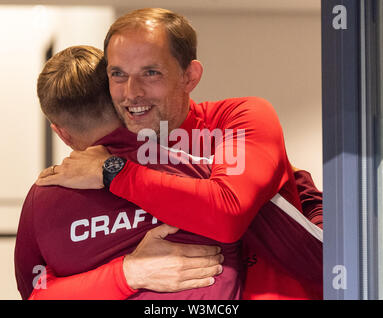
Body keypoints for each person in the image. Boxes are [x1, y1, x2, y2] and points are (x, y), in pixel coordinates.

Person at [36, 8, 323, 299]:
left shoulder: (240, 117)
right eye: (118, 74)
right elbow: (39, 292)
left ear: (190, 76)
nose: (132, 92)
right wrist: (127, 273)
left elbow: (227, 214)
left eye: (151, 73)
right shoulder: (93, 170)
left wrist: (112, 171)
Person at [15, 45, 242, 300]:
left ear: (62, 133)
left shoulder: (42, 198)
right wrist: (127, 273)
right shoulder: (207, 168)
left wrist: (121, 276)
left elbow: (34, 291)